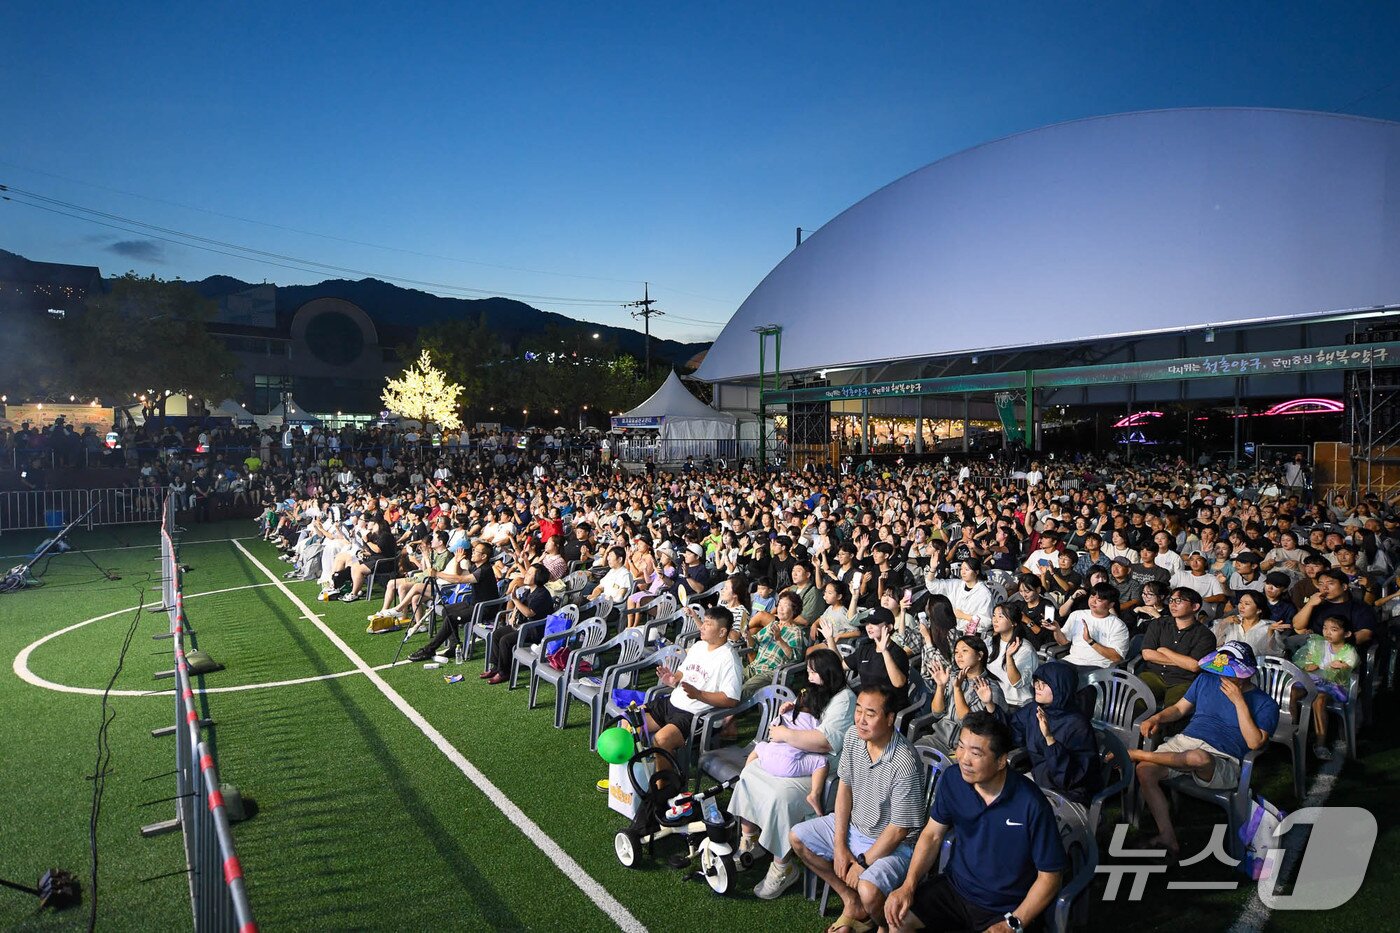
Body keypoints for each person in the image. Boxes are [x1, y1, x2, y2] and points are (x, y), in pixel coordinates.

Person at [884, 711, 1065, 933]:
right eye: (961, 747)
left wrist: (1013, 923)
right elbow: (932, 835)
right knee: (898, 919)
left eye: (976, 753)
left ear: (1001, 761)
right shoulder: (953, 779)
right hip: (956, 890)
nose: (964, 759)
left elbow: (1050, 876)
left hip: (1005, 906)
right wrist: (908, 886)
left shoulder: (1031, 803)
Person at [789, 684, 926, 931]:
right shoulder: (853, 736)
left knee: (868, 889)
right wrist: (840, 845)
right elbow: (845, 789)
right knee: (798, 837)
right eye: (858, 710)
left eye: (870, 714)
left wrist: (862, 863)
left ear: (890, 719)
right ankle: (851, 902)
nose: (861, 720)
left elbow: (899, 830)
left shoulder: (904, 762)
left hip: (895, 845)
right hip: (856, 827)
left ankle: (884, 925)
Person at [1129, 641, 1279, 859]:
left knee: (1198, 758)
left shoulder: (1266, 704)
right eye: (1221, 669)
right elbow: (1179, 709)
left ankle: (1139, 754)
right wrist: (1157, 718)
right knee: (1145, 771)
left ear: (1245, 674)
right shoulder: (1206, 679)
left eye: (1229, 672)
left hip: (1222, 757)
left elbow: (1255, 743)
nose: (1223, 676)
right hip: (1186, 742)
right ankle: (1167, 837)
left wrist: (1239, 702)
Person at [735, 649, 856, 898]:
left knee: (781, 796)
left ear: (828, 673)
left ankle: (783, 867)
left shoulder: (844, 699)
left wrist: (785, 734)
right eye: (809, 671)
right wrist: (794, 710)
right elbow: (808, 714)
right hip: (796, 754)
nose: (809, 676)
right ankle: (751, 839)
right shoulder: (821, 689)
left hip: (822, 767)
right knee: (749, 773)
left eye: (813, 672)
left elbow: (825, 742)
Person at [643, 606, 743, 769]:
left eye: (708, 624)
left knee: (661, 740)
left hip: (696, 715)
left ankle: (664, 783)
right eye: (704, 621)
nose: (702, 627)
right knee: (631, 720)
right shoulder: (698, 646)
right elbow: (683, 672)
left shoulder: (729, 659)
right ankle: (634, 773)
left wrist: (699, 695)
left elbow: (731, 700)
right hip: (672, 703)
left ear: (722, 632)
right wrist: (673, 679)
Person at [1003, 661, 1102, 807]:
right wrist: (990, 706)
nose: (1037, 687)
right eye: (1037, 681)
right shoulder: (1034, 710)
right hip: (1041, 781)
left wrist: (1050, 739)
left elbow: (1071, 778)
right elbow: (1010, 731)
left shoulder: (1077, 724)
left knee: (1016, 809)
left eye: (1044, 683)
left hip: (1069, 795)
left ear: (1060, 688)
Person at [1291, 612, 1359, 761]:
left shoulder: (1349, 652)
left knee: (1319, 700)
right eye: (1325, 628)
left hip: (1336, 686)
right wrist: (1308, 664)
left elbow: (1344, 675)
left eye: (1334, 629)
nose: (1327, 632)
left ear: (1347, 634)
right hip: (1316, 682)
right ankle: (1293, 730)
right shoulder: (1320, 645)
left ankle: (1320, 743)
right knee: (1293, 691)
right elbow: (1307, 663)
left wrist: (1343, 667)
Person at [920, 635, 1004, 754]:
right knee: (912, 752)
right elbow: (937, 713)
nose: (959, 656)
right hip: (938, 739)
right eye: (956, 652)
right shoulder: (952, 677)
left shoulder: (988, 687)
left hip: (966, 746)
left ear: (979, 655)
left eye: (964, 651)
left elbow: (967, 723)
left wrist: (957, 689)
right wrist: (941, 686)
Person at [1138, 586, 1217, 707]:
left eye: (1178, 601)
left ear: (1195, 607)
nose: (1172, 604)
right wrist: (1183, 661)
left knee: (1175, 710)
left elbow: (1194, 666)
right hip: (1153, 675)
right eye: (1171, 600)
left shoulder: (1205, 635)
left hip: (1183, 681)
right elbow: (1147, 654)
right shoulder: (1158, 624)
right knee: (1134, 699)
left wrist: (1165, 651)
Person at [481, 566, 555, 684]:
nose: (526, 575)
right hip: (523, 626)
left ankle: (504, 673)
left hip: (534, 630)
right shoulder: (529, 591)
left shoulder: (542, 594)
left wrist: (514, 599)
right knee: (496, 634)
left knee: (505, 640)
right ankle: (496, 667)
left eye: (530, 574)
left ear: (538, 577)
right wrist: (513, 616)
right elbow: (520, 605)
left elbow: (529, 613)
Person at [1048, 581, 1129, 673]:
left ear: (1111, 605)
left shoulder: (1118, 625)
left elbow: (1117, 657)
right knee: (1045, 671)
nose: (1093, 601)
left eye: (1099, 600)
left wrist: (1091, 641)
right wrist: (1056, 630)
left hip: (1097, 667)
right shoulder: (1077, 615)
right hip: (1071, 661)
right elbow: (1063, 642)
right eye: (1092, 596)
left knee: (1062, 678)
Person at [742, 591, 807, 698]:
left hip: (771, 673)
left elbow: (795, 657)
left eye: (785, 605)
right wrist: (748, 636)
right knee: (732, 680)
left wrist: (779, 639)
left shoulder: (796, 631)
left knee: (745, 689)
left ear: (794, 610)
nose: (780, 608)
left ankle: (728, 708)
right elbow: (755, 644)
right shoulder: (773, 624)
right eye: (779, 604)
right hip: (755, 667)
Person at [843, 607, 910, 696]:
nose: (869, 627)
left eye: (874, 623)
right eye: (867, 623)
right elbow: (840, 666)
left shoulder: (898, 652)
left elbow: (899, 683)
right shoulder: (865, 649)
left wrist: (884, 651)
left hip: (890, 702)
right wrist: (830, 639)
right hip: (867, 700)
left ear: (889, 627)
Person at [986, 602, 1039, 708]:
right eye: (994, 615)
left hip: (1017, 704)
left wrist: (1009, 657)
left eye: (1000, 616)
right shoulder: (990, 642)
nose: (995, 620)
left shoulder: (1025, 649)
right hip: (995, 699)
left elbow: (1017, 683)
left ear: (1013, 622)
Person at [1212, 590, 1289, 659]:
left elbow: (1273, 654)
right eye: (1240, 602)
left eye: (1247, 604)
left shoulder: (1267, 627)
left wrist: (1270, 632)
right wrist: (1223, 623)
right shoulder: (1231, 621)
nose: (1241, 606)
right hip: (1227, 664)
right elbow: (1214, 643)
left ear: (1258, 610)